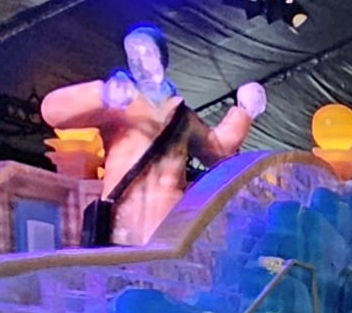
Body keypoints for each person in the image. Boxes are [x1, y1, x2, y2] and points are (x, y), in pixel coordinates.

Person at [39, 21, 268, 247]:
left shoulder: (182, 117)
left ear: (162, 57)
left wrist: (244, 112)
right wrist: (102, 94)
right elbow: (52, 111)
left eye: (146, 53)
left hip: (169, 229)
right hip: (121, 227)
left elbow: (217, 150)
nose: (139, 62)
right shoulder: (119, 106)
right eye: (133, 55)